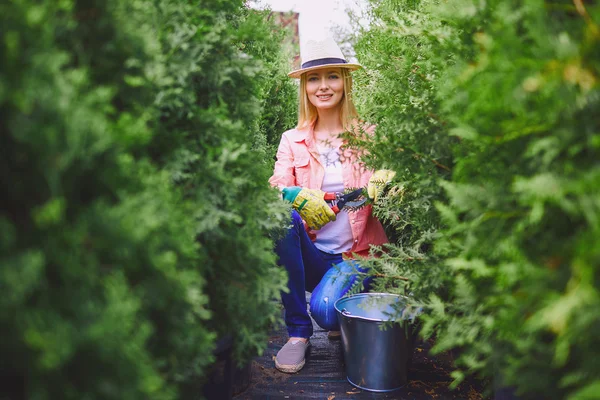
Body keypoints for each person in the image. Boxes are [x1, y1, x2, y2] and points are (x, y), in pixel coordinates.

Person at [268, 37, 395, 374]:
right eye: (313, 78)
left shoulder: (369, 135)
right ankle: (297, 333)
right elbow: (275, 186)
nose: (323, 86)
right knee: (279, 217)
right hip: (311, 254)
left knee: (326, 312)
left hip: (356, 256)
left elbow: (395, 171)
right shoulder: (291, 140)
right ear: (305, 87)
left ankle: (336, 305)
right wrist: (294, 196)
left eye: (332, 76)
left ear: (345, 81)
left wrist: (384, 181)